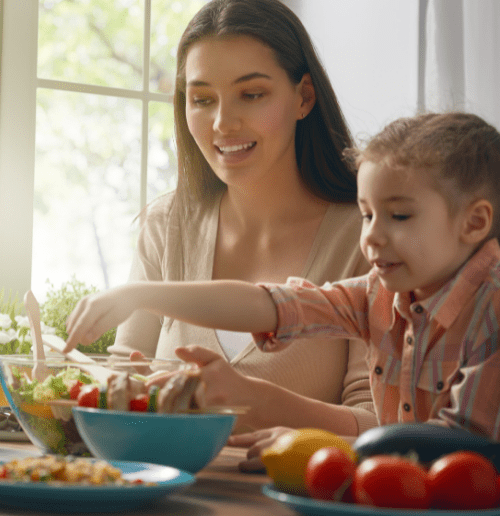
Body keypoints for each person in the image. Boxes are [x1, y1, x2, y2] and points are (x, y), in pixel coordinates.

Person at [66, 112, 500, 451]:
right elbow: (270, 305)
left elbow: (467, 447)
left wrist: (324, 448)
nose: (372, 235)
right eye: (367, 214)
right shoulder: (379, 293)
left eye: (399, 216)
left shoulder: (492, 308)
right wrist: (138, 295)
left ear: (474, 222)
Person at [106, 0, 377, 445]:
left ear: (304, 97)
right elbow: (121, 380)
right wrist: (124, 392)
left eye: (251, 94)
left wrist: (259, 402)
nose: (223, 124)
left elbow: (380, 425)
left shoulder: (368, 237)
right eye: (202, 99)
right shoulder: (166, 226)